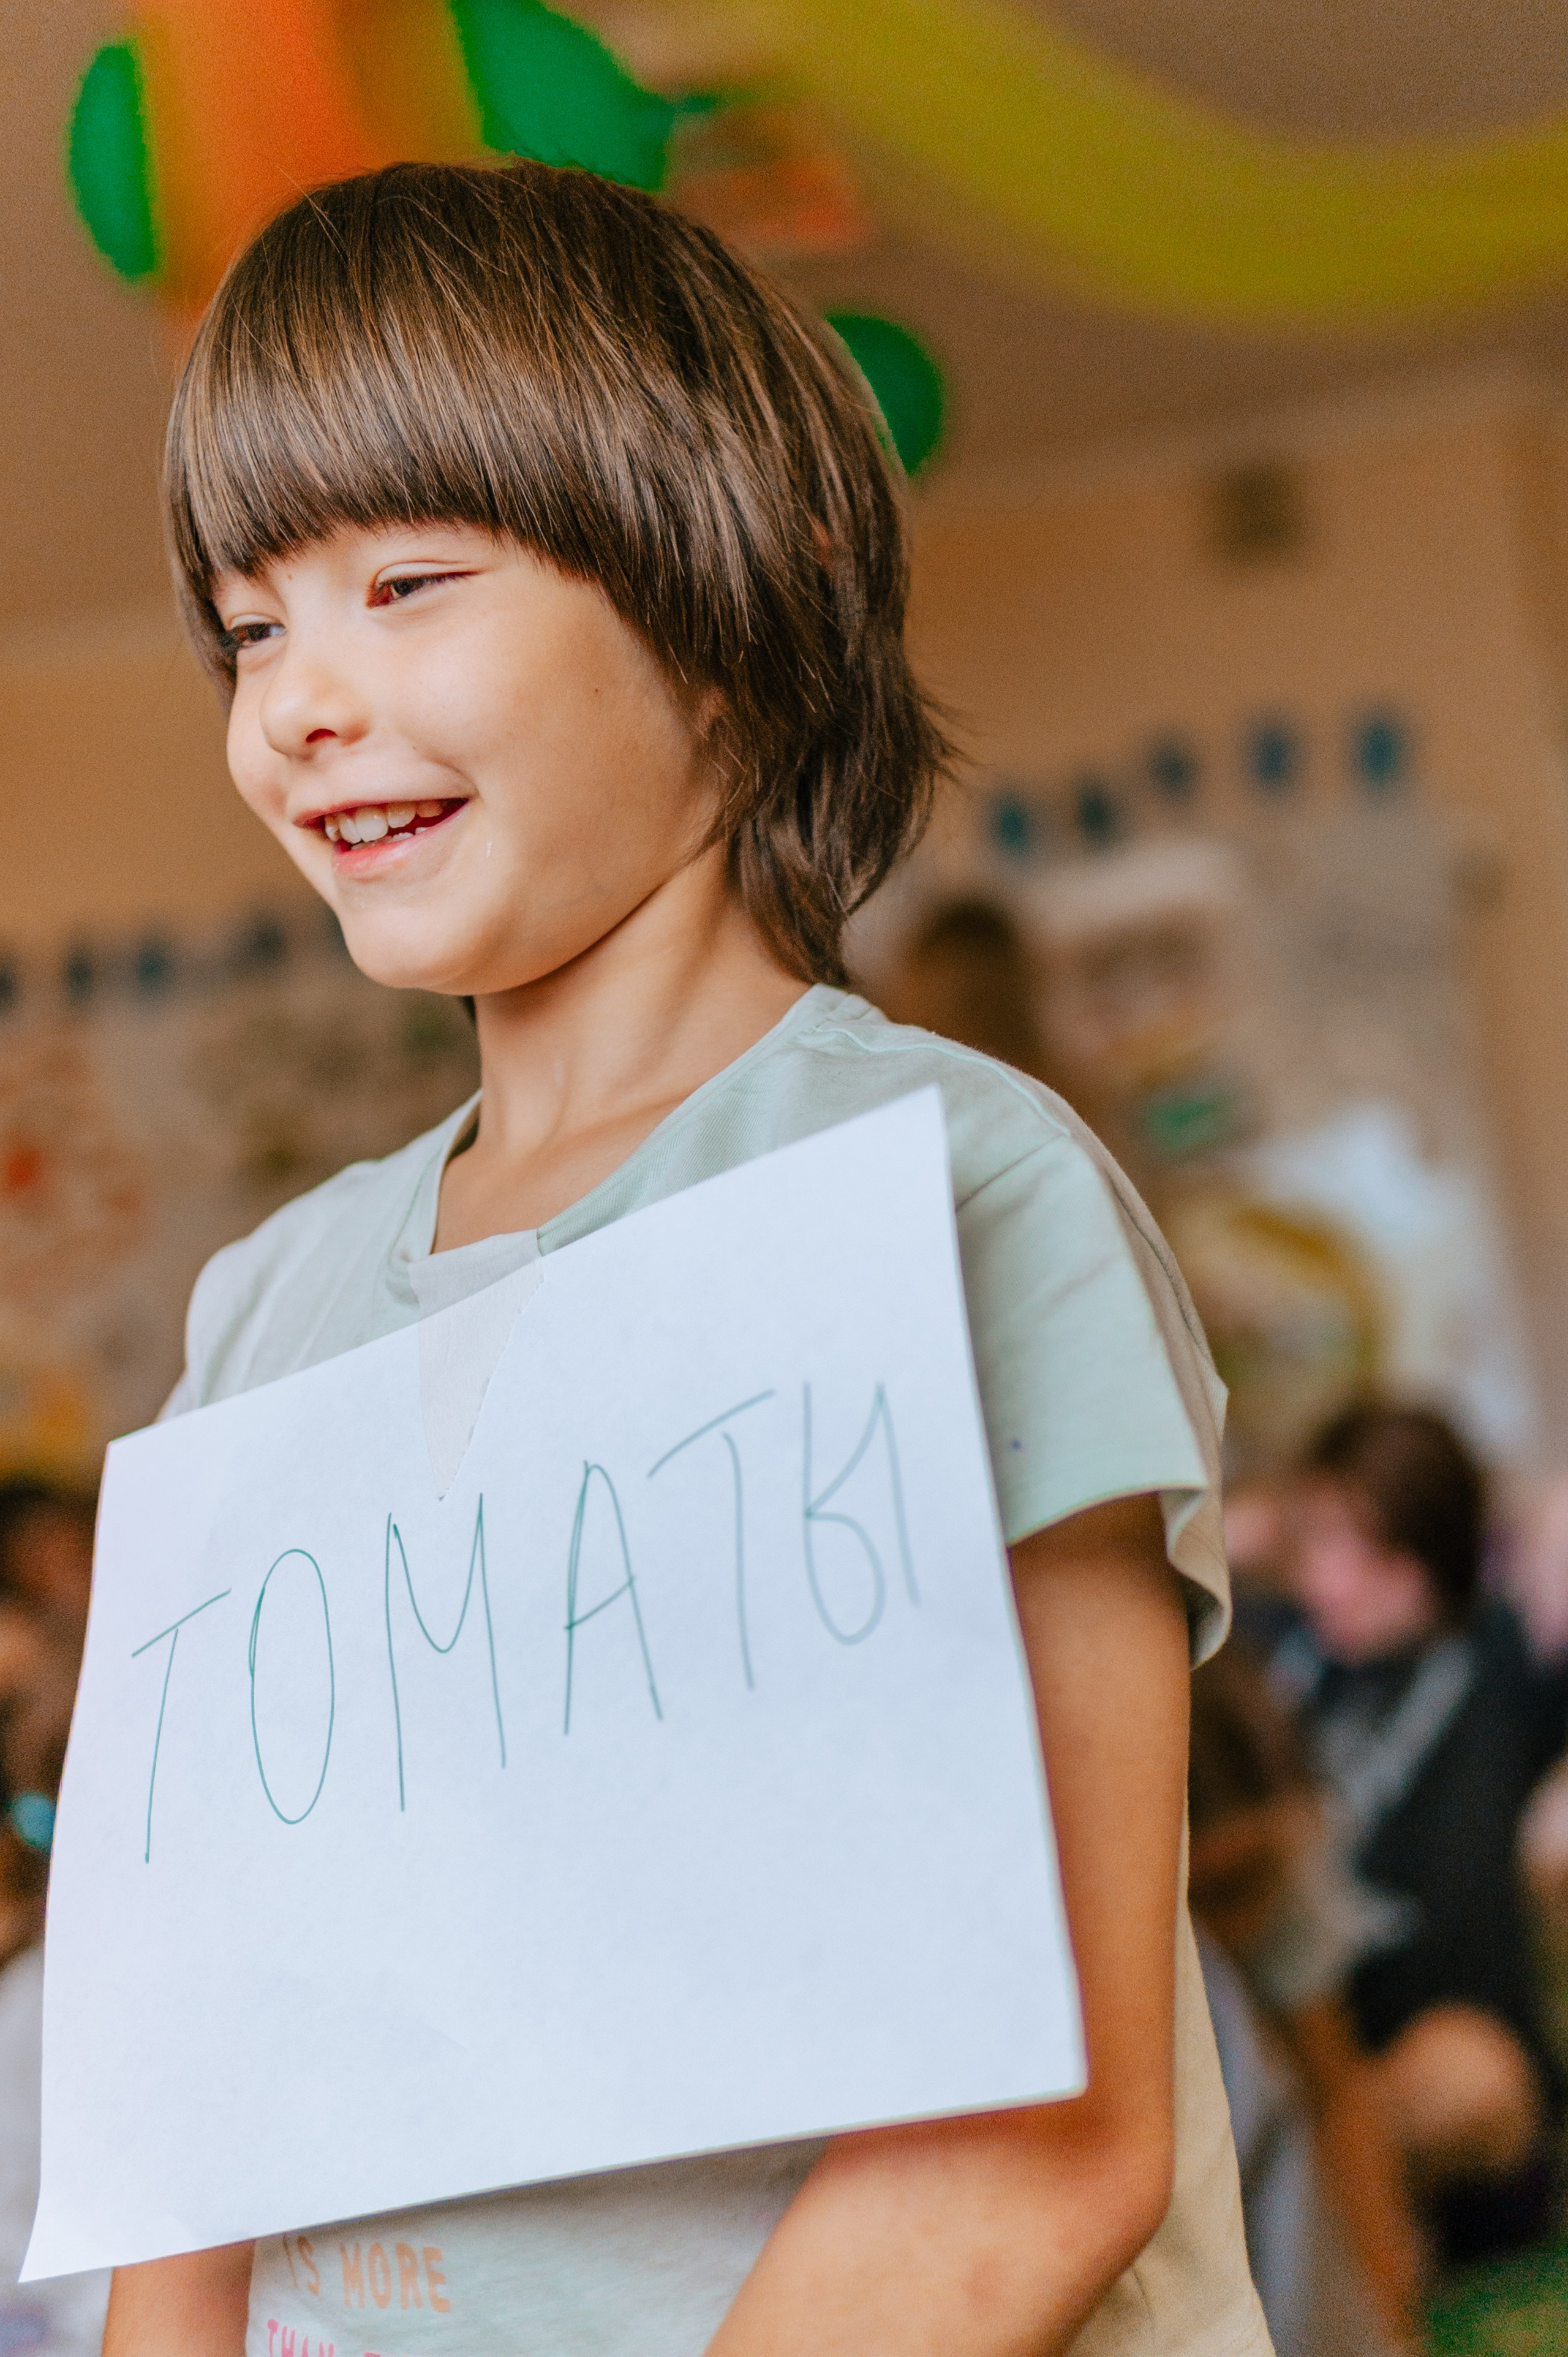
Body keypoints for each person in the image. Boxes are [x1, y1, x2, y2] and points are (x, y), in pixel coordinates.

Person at [105, 161, 1267, 2356]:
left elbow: (1030, 2145)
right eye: (251, 626)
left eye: (404, 583)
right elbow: (196, 2084)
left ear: (727, 604)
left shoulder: (948, 1186)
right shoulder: (261, 1303)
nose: (296, 702)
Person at [1276, 1402, 1568, 2264]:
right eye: (1311, 1539)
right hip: (1313, 2048)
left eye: (1348, 1542)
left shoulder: (1499, 1657)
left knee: (1466, 2079)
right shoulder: (1285, 1660)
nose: (1320, 1575)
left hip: (1450, 2065)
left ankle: (1331, 2227)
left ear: (1422, 1546)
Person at [1188, 1643, 1425, 2355]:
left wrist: (1390, 2314)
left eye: (1254, 1881)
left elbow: (1333, 2087)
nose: (1244, 1924)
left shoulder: (1282, 1845)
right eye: (1214, 1895)